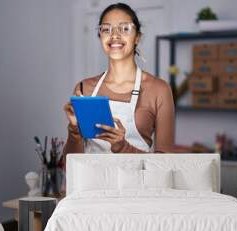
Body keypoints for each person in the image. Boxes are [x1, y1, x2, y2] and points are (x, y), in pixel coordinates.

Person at [63, 3, 174, 157]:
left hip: (137, 182)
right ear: (100, 36)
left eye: (124, 28)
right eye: (106, 29)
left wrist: (123, 147)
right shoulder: (84, 89)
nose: (114, 35)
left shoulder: (159, 90)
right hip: (91, 181)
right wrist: (74, 130)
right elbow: (70, 165)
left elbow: (165, 164)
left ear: (137, 37)